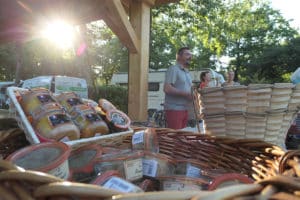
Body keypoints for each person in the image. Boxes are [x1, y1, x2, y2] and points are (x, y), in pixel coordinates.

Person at [163, 47, 193, 129]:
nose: (190, 57)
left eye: (191, 55)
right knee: (175, 137)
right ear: (178, 56)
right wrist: (186, 94)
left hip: (185, 109)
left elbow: (189, 91)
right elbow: (167, 88)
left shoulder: (187, 72)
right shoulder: (173, 69)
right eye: (187, 54)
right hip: (174, 109)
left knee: (181, 137)